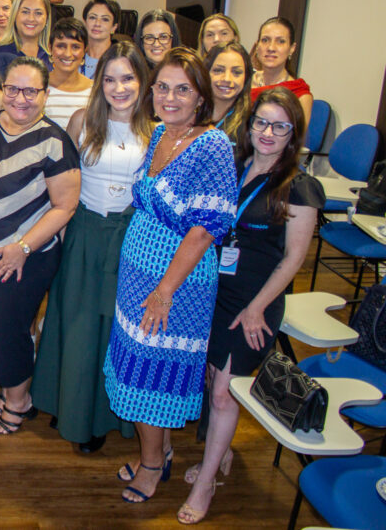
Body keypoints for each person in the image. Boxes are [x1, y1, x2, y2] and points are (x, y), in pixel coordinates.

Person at [178, 87, 323, 524]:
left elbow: (293, 259)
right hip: (214, 292)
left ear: (293, 133)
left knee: (224, 393)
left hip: (255, 300)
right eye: (261, 121)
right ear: (250, 122)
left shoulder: (298, 186)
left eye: (280, 126)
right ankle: (218, 453)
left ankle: (206, 481)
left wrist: (259, 308)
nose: (267, 132)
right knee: (211, 378)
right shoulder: (235, 166)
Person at [103, 47, 237, 504]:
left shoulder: (213, 145)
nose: (170, 97)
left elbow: (202, 231)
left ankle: (153, 464)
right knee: (138, 367)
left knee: (151, 377)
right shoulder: (160, 132)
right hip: (139, 275)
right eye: (163, 87)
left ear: (201, 96)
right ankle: (157, 451)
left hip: (175, 282)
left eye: (183, 89)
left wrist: (163, 292)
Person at [32, 41, 154, 454]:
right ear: (99, 81)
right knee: (74, 319)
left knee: (108, 328)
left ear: (142, 81)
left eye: (128, 79)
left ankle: (96, 417)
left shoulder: (155, 131)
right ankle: (62, 400)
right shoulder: (83, 120)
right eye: (110, 79)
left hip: (127, 235)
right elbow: (64, 182)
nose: (119, 88)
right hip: (82, 229)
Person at [0, 56, 80, 435]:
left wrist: (21, 247)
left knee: (8, 329)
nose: (20, 98)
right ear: (1, 89)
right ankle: (8, 394)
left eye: (30, 90)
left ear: (45, 94)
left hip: (25, 257)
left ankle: (18, 401)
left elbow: (65, 206)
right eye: (12, 89)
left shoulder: (55, 142)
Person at [249, 17, 313, 124]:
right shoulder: (242, 82)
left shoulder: (300, 95)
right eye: (265, 40)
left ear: (292, 48)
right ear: (257, 46)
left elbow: (297, 139)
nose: (271, 48)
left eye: (280, 41)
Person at [44, 18, 93, 130]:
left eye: (75, 47)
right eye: (61, 46)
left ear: (85, 50)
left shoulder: (95, 90)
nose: (68, 54)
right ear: (50, 48)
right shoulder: (38, 87)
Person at [0, 0, 52, 74]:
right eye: (25, 12)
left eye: (38, 13)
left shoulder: (52, 58)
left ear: (47, 19)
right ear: (15, 15)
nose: (31, 18)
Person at [206, 42, 254, 146]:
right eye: (218, 70)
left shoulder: (252, 124)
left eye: (236, 72)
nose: (227, 79)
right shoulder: (189, 115)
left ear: (246, 78)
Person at [81, 0, 122, 79]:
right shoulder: (74, 56)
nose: (97, 24)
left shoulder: (121, 59)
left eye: (105, 19)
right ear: (85, 22)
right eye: (92, 17)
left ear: (114, 27)